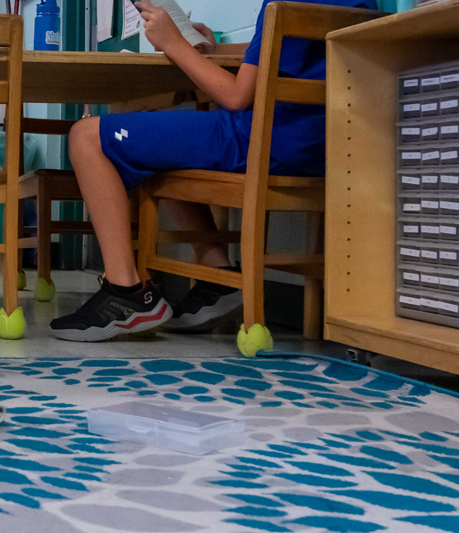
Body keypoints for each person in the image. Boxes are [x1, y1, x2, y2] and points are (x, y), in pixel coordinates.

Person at [50, 0, 376, 342]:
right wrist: (218, 48)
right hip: (322, 144)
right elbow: (277, 48)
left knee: (85, 137)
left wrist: (173, 43)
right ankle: (217, 271)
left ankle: (127, 292)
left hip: (264, 138)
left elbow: (236, 98)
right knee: (163, 145)